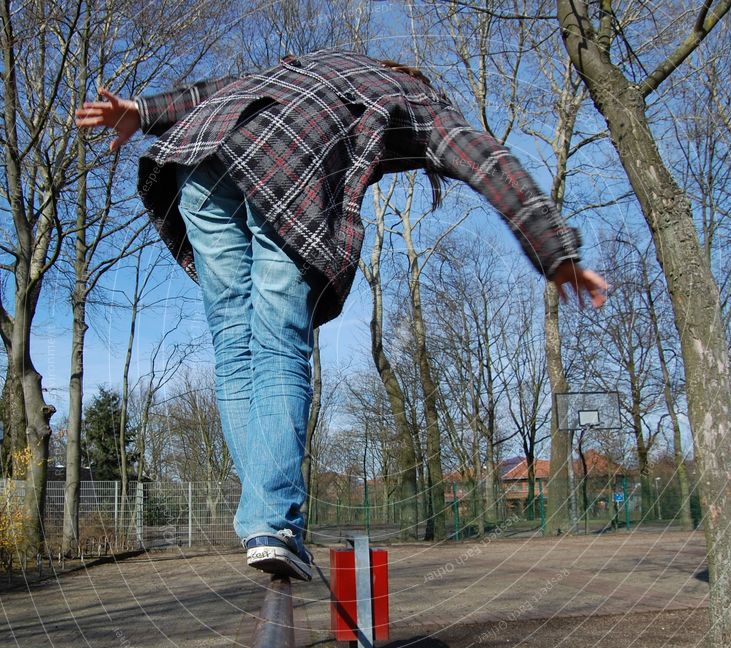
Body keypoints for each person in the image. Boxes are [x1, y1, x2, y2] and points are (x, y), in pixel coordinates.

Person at [76, 49, 607, 581]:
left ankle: (262, 519)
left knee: (235, 346)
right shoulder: (416, 99)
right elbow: (488, 161)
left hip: (200, 157)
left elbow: (214, 89)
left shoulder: (311, 63)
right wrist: (555, 251)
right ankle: (271, 523)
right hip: (286, 170)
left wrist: (142, 111)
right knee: (279, 342)